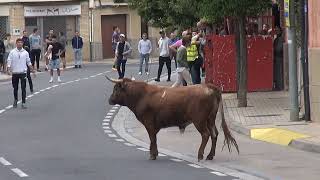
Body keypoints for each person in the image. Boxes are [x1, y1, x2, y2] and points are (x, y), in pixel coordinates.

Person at [7, 38, 35, 109]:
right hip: (15, 72)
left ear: (22, 44)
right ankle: (15, 99)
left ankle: (23, 102)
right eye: (18, 42)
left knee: (23, 88)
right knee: (15, 88)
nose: (20, 44)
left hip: (23, 72)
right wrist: (9, 68)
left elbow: (28, 62)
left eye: (21, 42)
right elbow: (9, 60)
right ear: (16, 44)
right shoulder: (12, 52)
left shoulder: (25, 52)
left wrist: (32, 70)